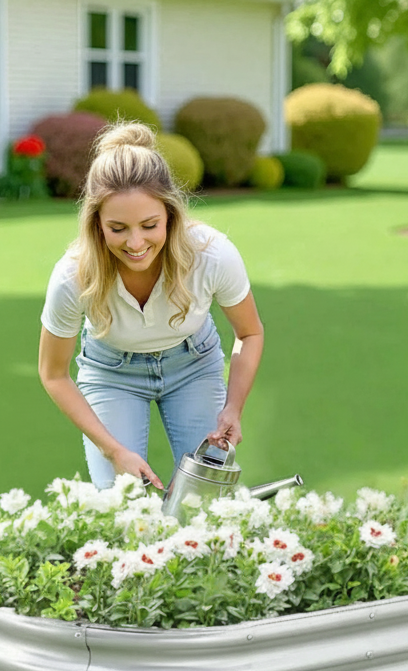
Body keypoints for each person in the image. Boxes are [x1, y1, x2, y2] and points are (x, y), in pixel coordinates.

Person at [38, 121, 265, 490]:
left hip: (194, 364)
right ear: (96, 224)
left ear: (171, 214)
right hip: (111, 373)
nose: (135, 243)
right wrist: (113, 451)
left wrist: (233, 408)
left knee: (207, 499)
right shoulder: (72, 276)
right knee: (119, 500)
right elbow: (54, 374)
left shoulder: (212, 254)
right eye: (118, 228)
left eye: (149, 225)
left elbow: (250, 332)